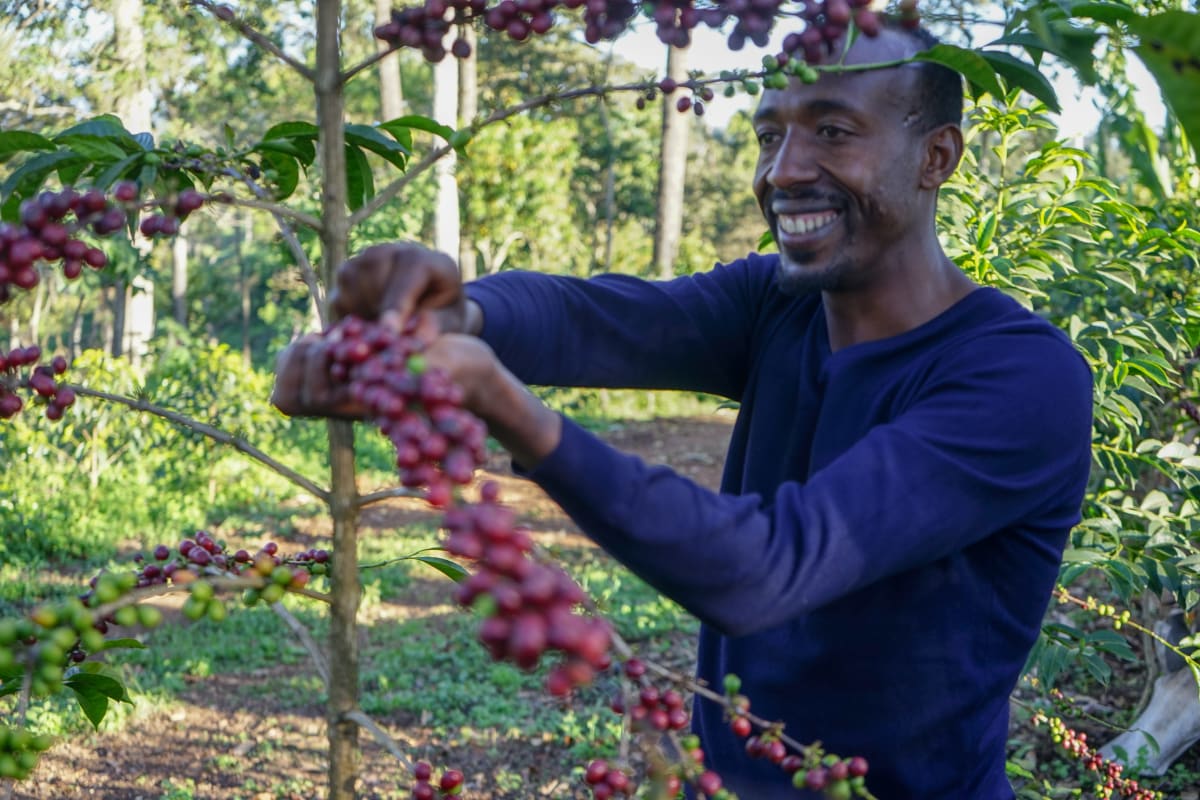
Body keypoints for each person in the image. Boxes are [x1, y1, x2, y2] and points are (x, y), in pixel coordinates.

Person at [271, 19, 1094, 799]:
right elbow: (595, 318)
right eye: (770, 135)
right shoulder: (779, 306)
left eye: (834, 131)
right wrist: (457, 311)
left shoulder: (1020, 380)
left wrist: (511, 411)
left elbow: (769, 568)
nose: (784, 171)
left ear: (935, 157)